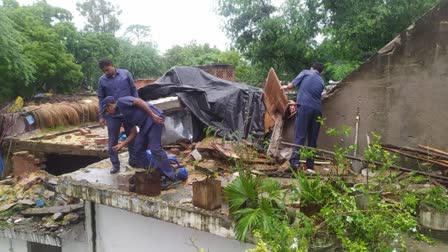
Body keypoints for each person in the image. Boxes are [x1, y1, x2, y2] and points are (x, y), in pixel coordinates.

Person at [100, 96, 187, 187]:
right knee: (137, 148)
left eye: (106, 111)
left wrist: (153, 115)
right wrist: (121, 145)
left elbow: (139, 102)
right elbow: (133, 132)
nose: (108, 114)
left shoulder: (121, 101)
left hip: (153, 118)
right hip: (144, 126)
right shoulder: (121, 116)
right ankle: (156, 171)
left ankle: (172, 177)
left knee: (155, 148)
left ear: (109, 106)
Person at [281, 62, 325, 172]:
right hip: (317, 110)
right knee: (312, 139)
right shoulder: (322, 81)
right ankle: (310, 165)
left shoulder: (306, 73)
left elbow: (291, 86)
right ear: (321, 72)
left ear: (311, 68)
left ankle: (294, 164)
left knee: (300, 136)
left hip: (304, 108)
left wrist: (283, 87)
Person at [97, 57, 138, 174]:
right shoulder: (102, 81)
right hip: (112, 115)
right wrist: (101, 116)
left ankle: (133, 160)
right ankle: (115, 164)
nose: (106, 72)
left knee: (132, 135)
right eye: (104, 71)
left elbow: (134, 90)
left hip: (128, 112)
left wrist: (137, 105)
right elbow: (100, 99)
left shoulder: (126, 74)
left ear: (112, 65)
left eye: (107, 69)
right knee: (113, 139)